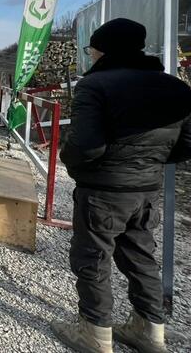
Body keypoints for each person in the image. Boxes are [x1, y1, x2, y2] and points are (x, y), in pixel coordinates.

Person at [52, 18, 191, 353]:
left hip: (103, 191)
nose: (91, 56)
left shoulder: (95, 86)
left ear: (103, 50)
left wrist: (70, 160)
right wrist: (148, 163)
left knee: (92, 257)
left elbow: (86, 146)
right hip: (146, 191)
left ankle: (95, 331)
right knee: (141, 256)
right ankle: (149, 330)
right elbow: (187, 144)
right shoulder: (176, 87)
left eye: (92, 50)